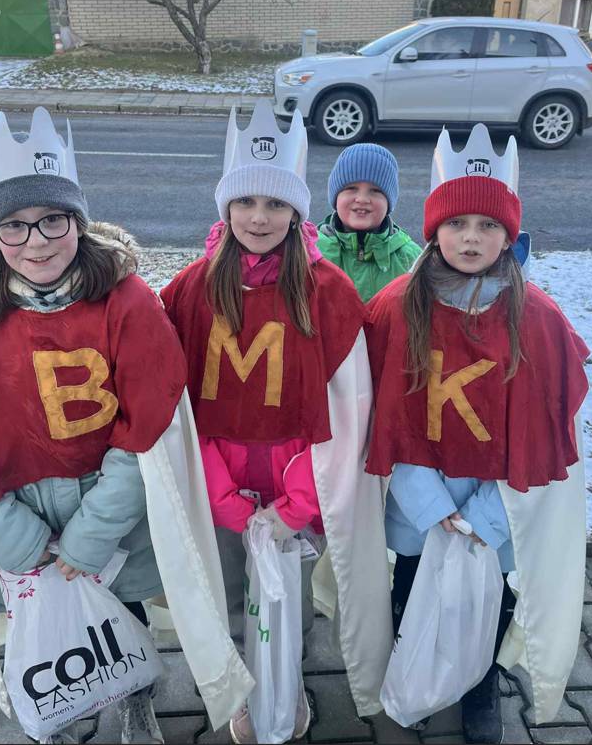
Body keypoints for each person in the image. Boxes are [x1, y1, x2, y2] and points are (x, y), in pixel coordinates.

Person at [0, 107, 253, 745]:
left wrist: (90, 534)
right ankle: (64, 696)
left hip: (110, 504)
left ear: (78, 220)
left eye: (53, 220)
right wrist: (17, 535)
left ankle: (134, 694)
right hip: (22, 506)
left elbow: (147, 427)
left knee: (118, 603)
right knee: (42, 608)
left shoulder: (128, 306)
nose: (37, 242)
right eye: (14, 227)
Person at [160, 101, 392, 744]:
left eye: (275, 205)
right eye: (245, 203)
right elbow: (178, 411)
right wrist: (223, 498)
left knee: (290, 591)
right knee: (233, 589)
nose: (259, 218)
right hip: (223, 482)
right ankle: (242, 685)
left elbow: (347, 410)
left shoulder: (328, 291)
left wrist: (298, 504)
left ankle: (287, 680)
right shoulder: (189, 290)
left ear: (297, 212)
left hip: (299, 480)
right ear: (225, 209)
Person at [364, 123, 589, 744]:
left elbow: (546, 429)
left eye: (488, 226)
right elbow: (382, 416)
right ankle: (415, 655)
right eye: (457, 223)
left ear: (509, 235)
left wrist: (486, 516)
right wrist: (434, 509)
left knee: (492, 594)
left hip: (499, 499)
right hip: (420, 497)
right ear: (433, 230)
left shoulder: (538, 318)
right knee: (410, 584)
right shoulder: (395, 306)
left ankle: (479, 680)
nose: (471, 237)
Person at [316, 143, 421, 302]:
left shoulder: (411, 259)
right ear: (336, 197)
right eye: (351, 188)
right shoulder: (310, 252)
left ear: (389, 202)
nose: (362, 199)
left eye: (376, 191)